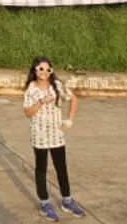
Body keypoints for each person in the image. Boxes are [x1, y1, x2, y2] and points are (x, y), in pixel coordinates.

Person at [23, 57, 85, 220]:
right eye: (40, 69)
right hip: (40, 135)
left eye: (47, 70)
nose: (44, 73)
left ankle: (67, 200)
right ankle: (44, 203)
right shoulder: (31, 89)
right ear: (35, 70)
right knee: (41, 169)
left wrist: (69, 120)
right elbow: (28, 112)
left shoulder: (57, 86)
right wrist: (41, 101)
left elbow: (73, 99)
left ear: (51, 71)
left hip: (56, 135)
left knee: (61, 168)